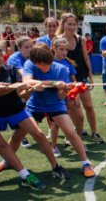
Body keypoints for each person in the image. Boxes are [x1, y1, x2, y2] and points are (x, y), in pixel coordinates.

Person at [22, 44, 95, 178]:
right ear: (35, 62)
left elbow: (61, 96)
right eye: (42, 65)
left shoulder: (61, 68)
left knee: (70, 132)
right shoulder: (29, 64)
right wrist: (53, 83)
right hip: (34, 106)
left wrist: (65, 89)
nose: (46, 67)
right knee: (19, 134)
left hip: (55, 105)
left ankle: (86, 163)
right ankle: (7, 161)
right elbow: (27, 81)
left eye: (48, 64)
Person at [0, 44, 48, 189]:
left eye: (1, 55)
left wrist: (30, 87)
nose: (0, 59)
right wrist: (10, 86)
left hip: (4, 110)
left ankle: (25, 175)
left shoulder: (9, 69)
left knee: (1, 144)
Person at [58, 13, 104, 143]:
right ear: (63, 24)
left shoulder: (80, 39)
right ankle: (72, 134)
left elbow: (85, 58)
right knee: (72, 108)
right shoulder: (58, 40)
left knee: (88, 106)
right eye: (69, 24)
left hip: (81, 76)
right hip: (67, 79)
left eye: (74, 24)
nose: (72, 27)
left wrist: (90, 76)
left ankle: (94, 132)